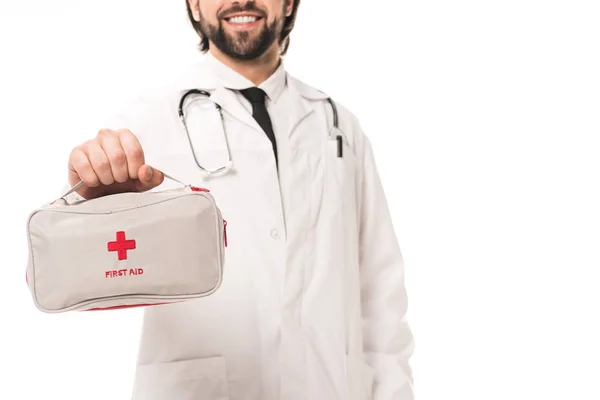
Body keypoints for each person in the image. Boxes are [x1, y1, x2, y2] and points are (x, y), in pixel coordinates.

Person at [64, 0, 415, 398]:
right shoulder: (147, 120)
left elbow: (381, 290)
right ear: (194, 5)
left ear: (288, 4)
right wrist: (91, 202)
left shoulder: (338, 126)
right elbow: (69, 273)